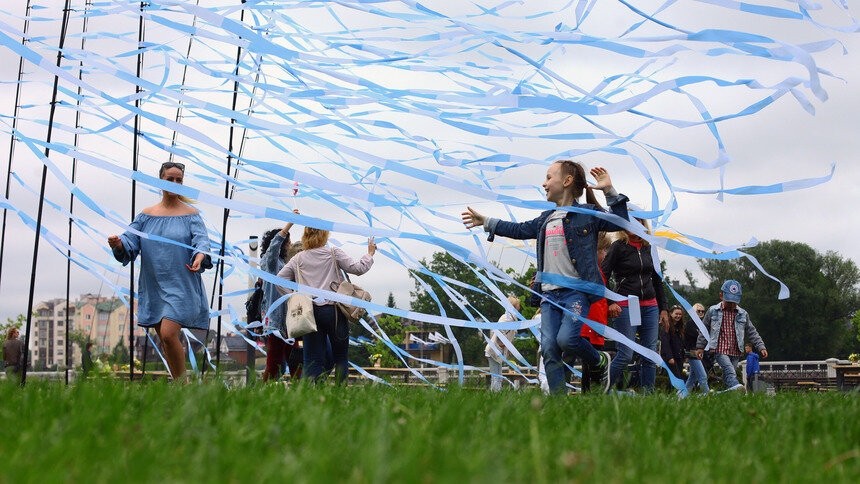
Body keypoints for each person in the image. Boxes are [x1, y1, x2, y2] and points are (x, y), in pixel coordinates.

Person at [463, 161, 629, 394]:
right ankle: (557, 405)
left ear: (567, 181)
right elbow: (519, 229)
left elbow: (620, 222)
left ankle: (601, 361)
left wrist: (610, 191)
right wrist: (488, 222)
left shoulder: (587, 215)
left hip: (576, 293)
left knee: (568, 340)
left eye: (549, 177)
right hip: (549, 296)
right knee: (549, 348)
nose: (544, 182)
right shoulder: (545, 219)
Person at [108, 162, 213, 381]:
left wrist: (200, 256)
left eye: (179, 180)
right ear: (160, 181)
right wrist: (118, 244)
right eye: (170, 179)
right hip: (154, 285)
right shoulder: (146, 216)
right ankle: (181, 386)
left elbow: (202, 241)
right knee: (165, 339)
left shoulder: (191, 215)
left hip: (182, 284)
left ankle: (184, 386)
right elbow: (130, 241)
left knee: (168, 333)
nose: (175, 183)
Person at [276, 228, 376, 384]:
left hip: (310, 313)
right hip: (334, 311)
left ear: (305, 236)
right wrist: (369, 254)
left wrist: (295, 299)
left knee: (312, 359)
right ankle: (339, 395)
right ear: (324, 235)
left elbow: (279, 280)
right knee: (341, 358)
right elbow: (358, 269)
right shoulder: (333, 253)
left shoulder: (298, 259)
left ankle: (307, 395)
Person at [601, 216, 669, 393]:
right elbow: (603, 275)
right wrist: (610, 302)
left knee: (650, 354)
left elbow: (657, 280)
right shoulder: (618, 247)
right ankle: (602, 390)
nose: (633, 225)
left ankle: (649, 395)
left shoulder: (649, 247)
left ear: (642, 224)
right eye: (629, 221)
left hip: (650, 306)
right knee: (625, 354)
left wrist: (664, 308)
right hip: (625, 304)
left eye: (637, 221)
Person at [695, 280, 768, 392]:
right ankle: (738, 388)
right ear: (721, 296)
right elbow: (704, 330)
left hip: (735, 350)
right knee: (730, 372)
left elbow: (752, 332)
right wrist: (700, 346)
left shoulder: (743, 314)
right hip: (719, 349)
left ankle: (725, 397)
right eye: (729, 301)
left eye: (734, 302)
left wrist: (761, 346)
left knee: (727, 376)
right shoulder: (713, 311)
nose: (731, 304)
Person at [259, 210, 302, 382]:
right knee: (274, 361)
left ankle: (302, 393)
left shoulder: (284, 264)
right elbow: (273, 248)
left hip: (289, 320)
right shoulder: (270, 263)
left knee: (295, 359)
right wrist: (289, 224)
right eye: (288, 242)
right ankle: (263, 394)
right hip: (275, 322)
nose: (290, 245)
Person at [485, 297, 522, 391]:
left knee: (498, 377)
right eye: (518, 305)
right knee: (497, 377)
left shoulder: (512, 317)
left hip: (498, 351)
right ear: (514, 306)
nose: (519, 307)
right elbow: (498, 329)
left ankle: (494, 395)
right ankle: (494, 396)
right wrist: (503, 342)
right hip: (494, 351)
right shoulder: (507, 317)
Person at [684, 303, 710, 394]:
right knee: (702, 376)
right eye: (699, 311)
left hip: (698, 353)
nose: (701, 313)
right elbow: (697, 336)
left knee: (692, 378)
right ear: (694, 311)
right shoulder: (690, 323)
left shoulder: (701, 324)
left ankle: (682, 396)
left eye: (702, 311)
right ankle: (707, 395)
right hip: (692, 352)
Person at [660, 306, 686, 380]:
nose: (678, 316)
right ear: (671, 314)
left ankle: (678, 391)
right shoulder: (666, 327)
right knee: (675, 377)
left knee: (680, 376)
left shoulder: (680, 327)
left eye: (680, 314)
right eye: (676, 314)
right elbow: (665, 343)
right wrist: (669, 357)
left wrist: (684, 355)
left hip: (679, 356)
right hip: (671, 357)